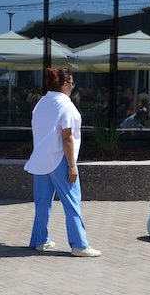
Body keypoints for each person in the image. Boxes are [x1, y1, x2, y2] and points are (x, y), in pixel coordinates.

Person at [24, 67, 102, 257]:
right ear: (65, 84)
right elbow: (67, 137)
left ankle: (39, 240)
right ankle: (79, 245)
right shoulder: (66, 106)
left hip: (41, 159)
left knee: (42, 203)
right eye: (72, 83)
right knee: (72, 202)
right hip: (60, 158)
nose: (73, 87)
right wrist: (72, 165)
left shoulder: (41, 103)